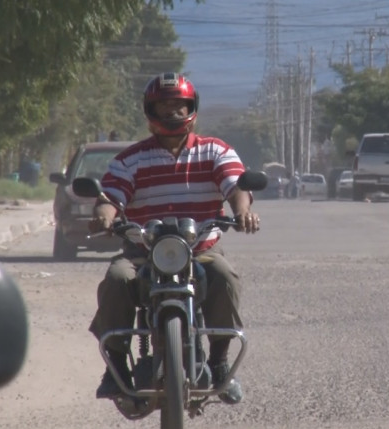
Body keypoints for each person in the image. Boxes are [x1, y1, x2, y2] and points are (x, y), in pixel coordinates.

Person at [88, 72, 260, 405]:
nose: (173, 113)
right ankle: (116, 367)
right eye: (165, 107)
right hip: (143, 251)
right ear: (150, 111)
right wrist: (104, 217)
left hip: (200, 250)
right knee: (117, 278)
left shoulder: (215, 150)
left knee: (225, 278)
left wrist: (242, 212)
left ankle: (220, 361)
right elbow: (110, 197)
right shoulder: (129, 159)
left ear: (191, 109)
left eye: (180, 107)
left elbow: (237, 186)